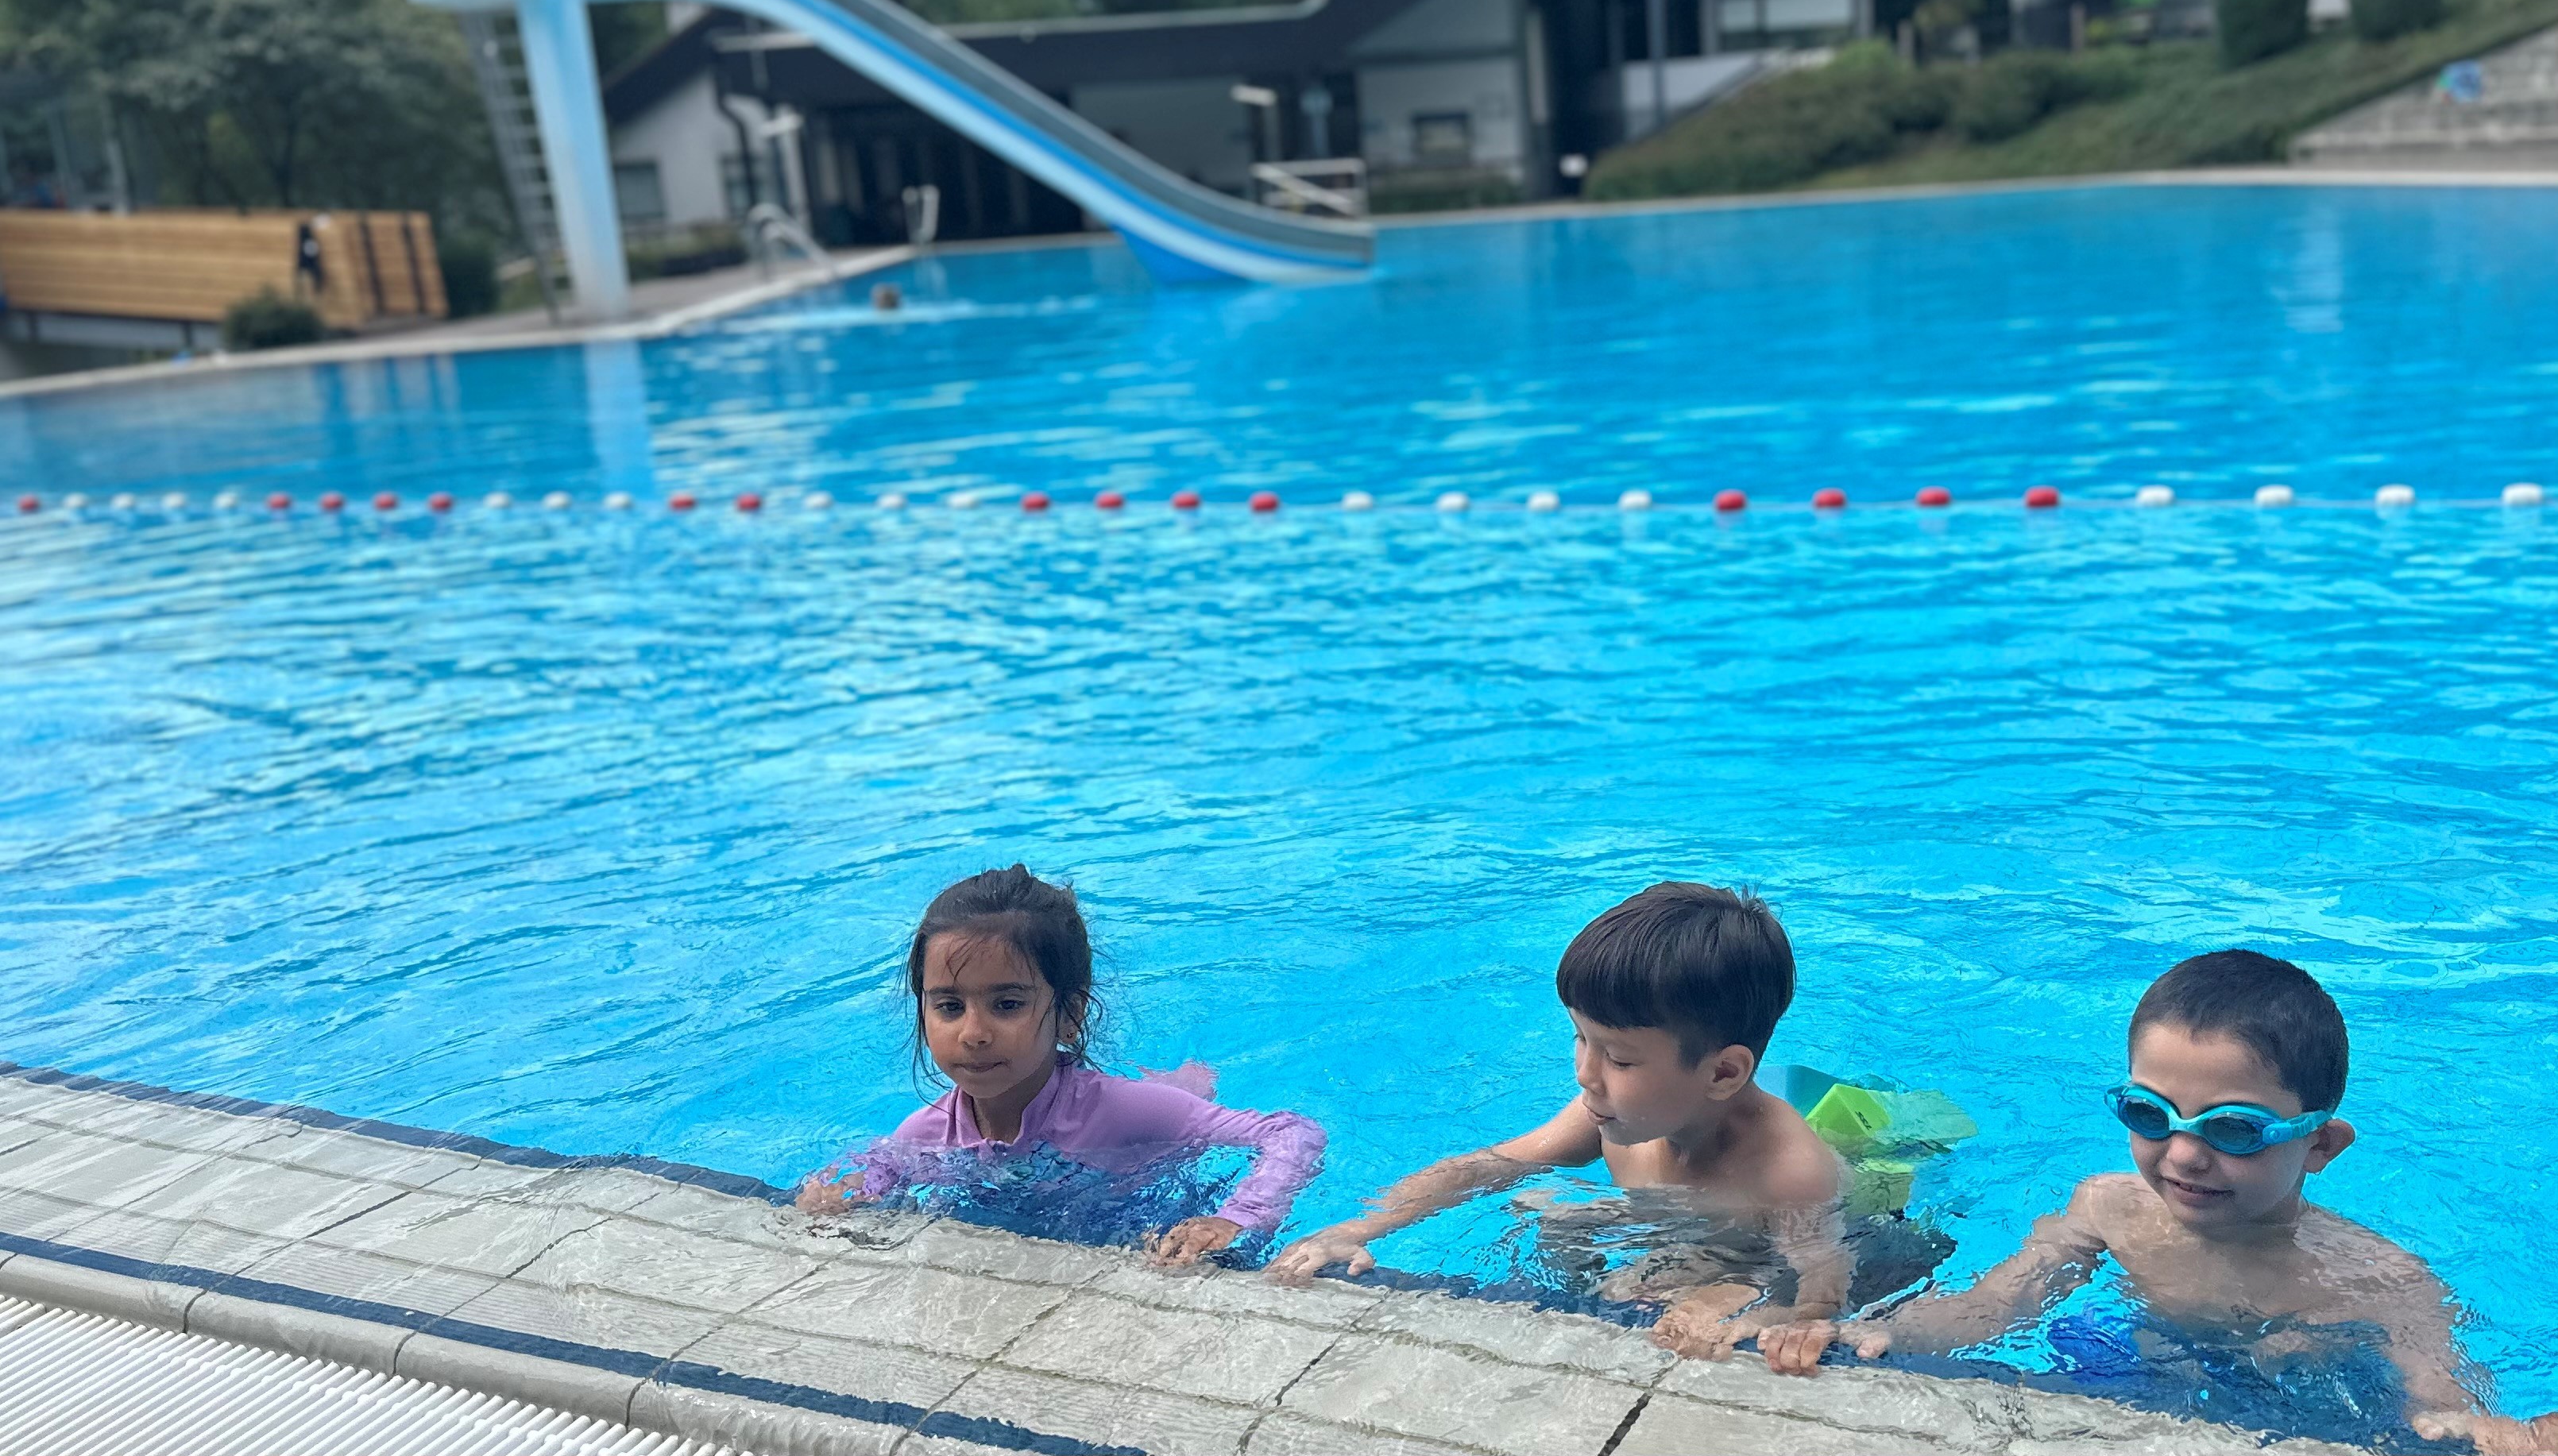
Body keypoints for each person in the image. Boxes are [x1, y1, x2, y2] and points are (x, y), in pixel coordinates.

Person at [1787, 950, 2555, 1452]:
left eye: (2233, 1128)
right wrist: (1892, 1330)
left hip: (2305, 1412)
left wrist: (2486, 1430)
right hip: (2128, 1367)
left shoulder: (2385, 1281)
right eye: (2149, 1114)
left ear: (2319, 1146)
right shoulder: (2110, 1207)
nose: (2185, 1152)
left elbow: (2437, 1400)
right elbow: (1999, 1304)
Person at [1266, 882, 1850, 1369]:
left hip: (1755, 1252)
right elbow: (1491, 1165)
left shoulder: (1789, 1173)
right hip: (1671, 1226)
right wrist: (1362, 1226)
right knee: (1551, 1215)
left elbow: (1823, 1292)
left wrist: (1778, 1320)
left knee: (1684, 1305)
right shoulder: (1613, 1114)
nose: (1586, 1075)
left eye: (1619, 1059)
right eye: (1580, 1038)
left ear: (1722, 1072)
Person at [798, 864, 1325, 1267]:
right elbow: (882, 1167)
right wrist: (845, 1192)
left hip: (1151, 1177)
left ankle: (1187, 1085)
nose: (973, 1033)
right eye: (949, 1006)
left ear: (1069, 1015)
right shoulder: (927, 1133)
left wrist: (1235, 1219)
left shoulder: (1124, 1111)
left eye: (1007, 1004)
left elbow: (1292, 1132)